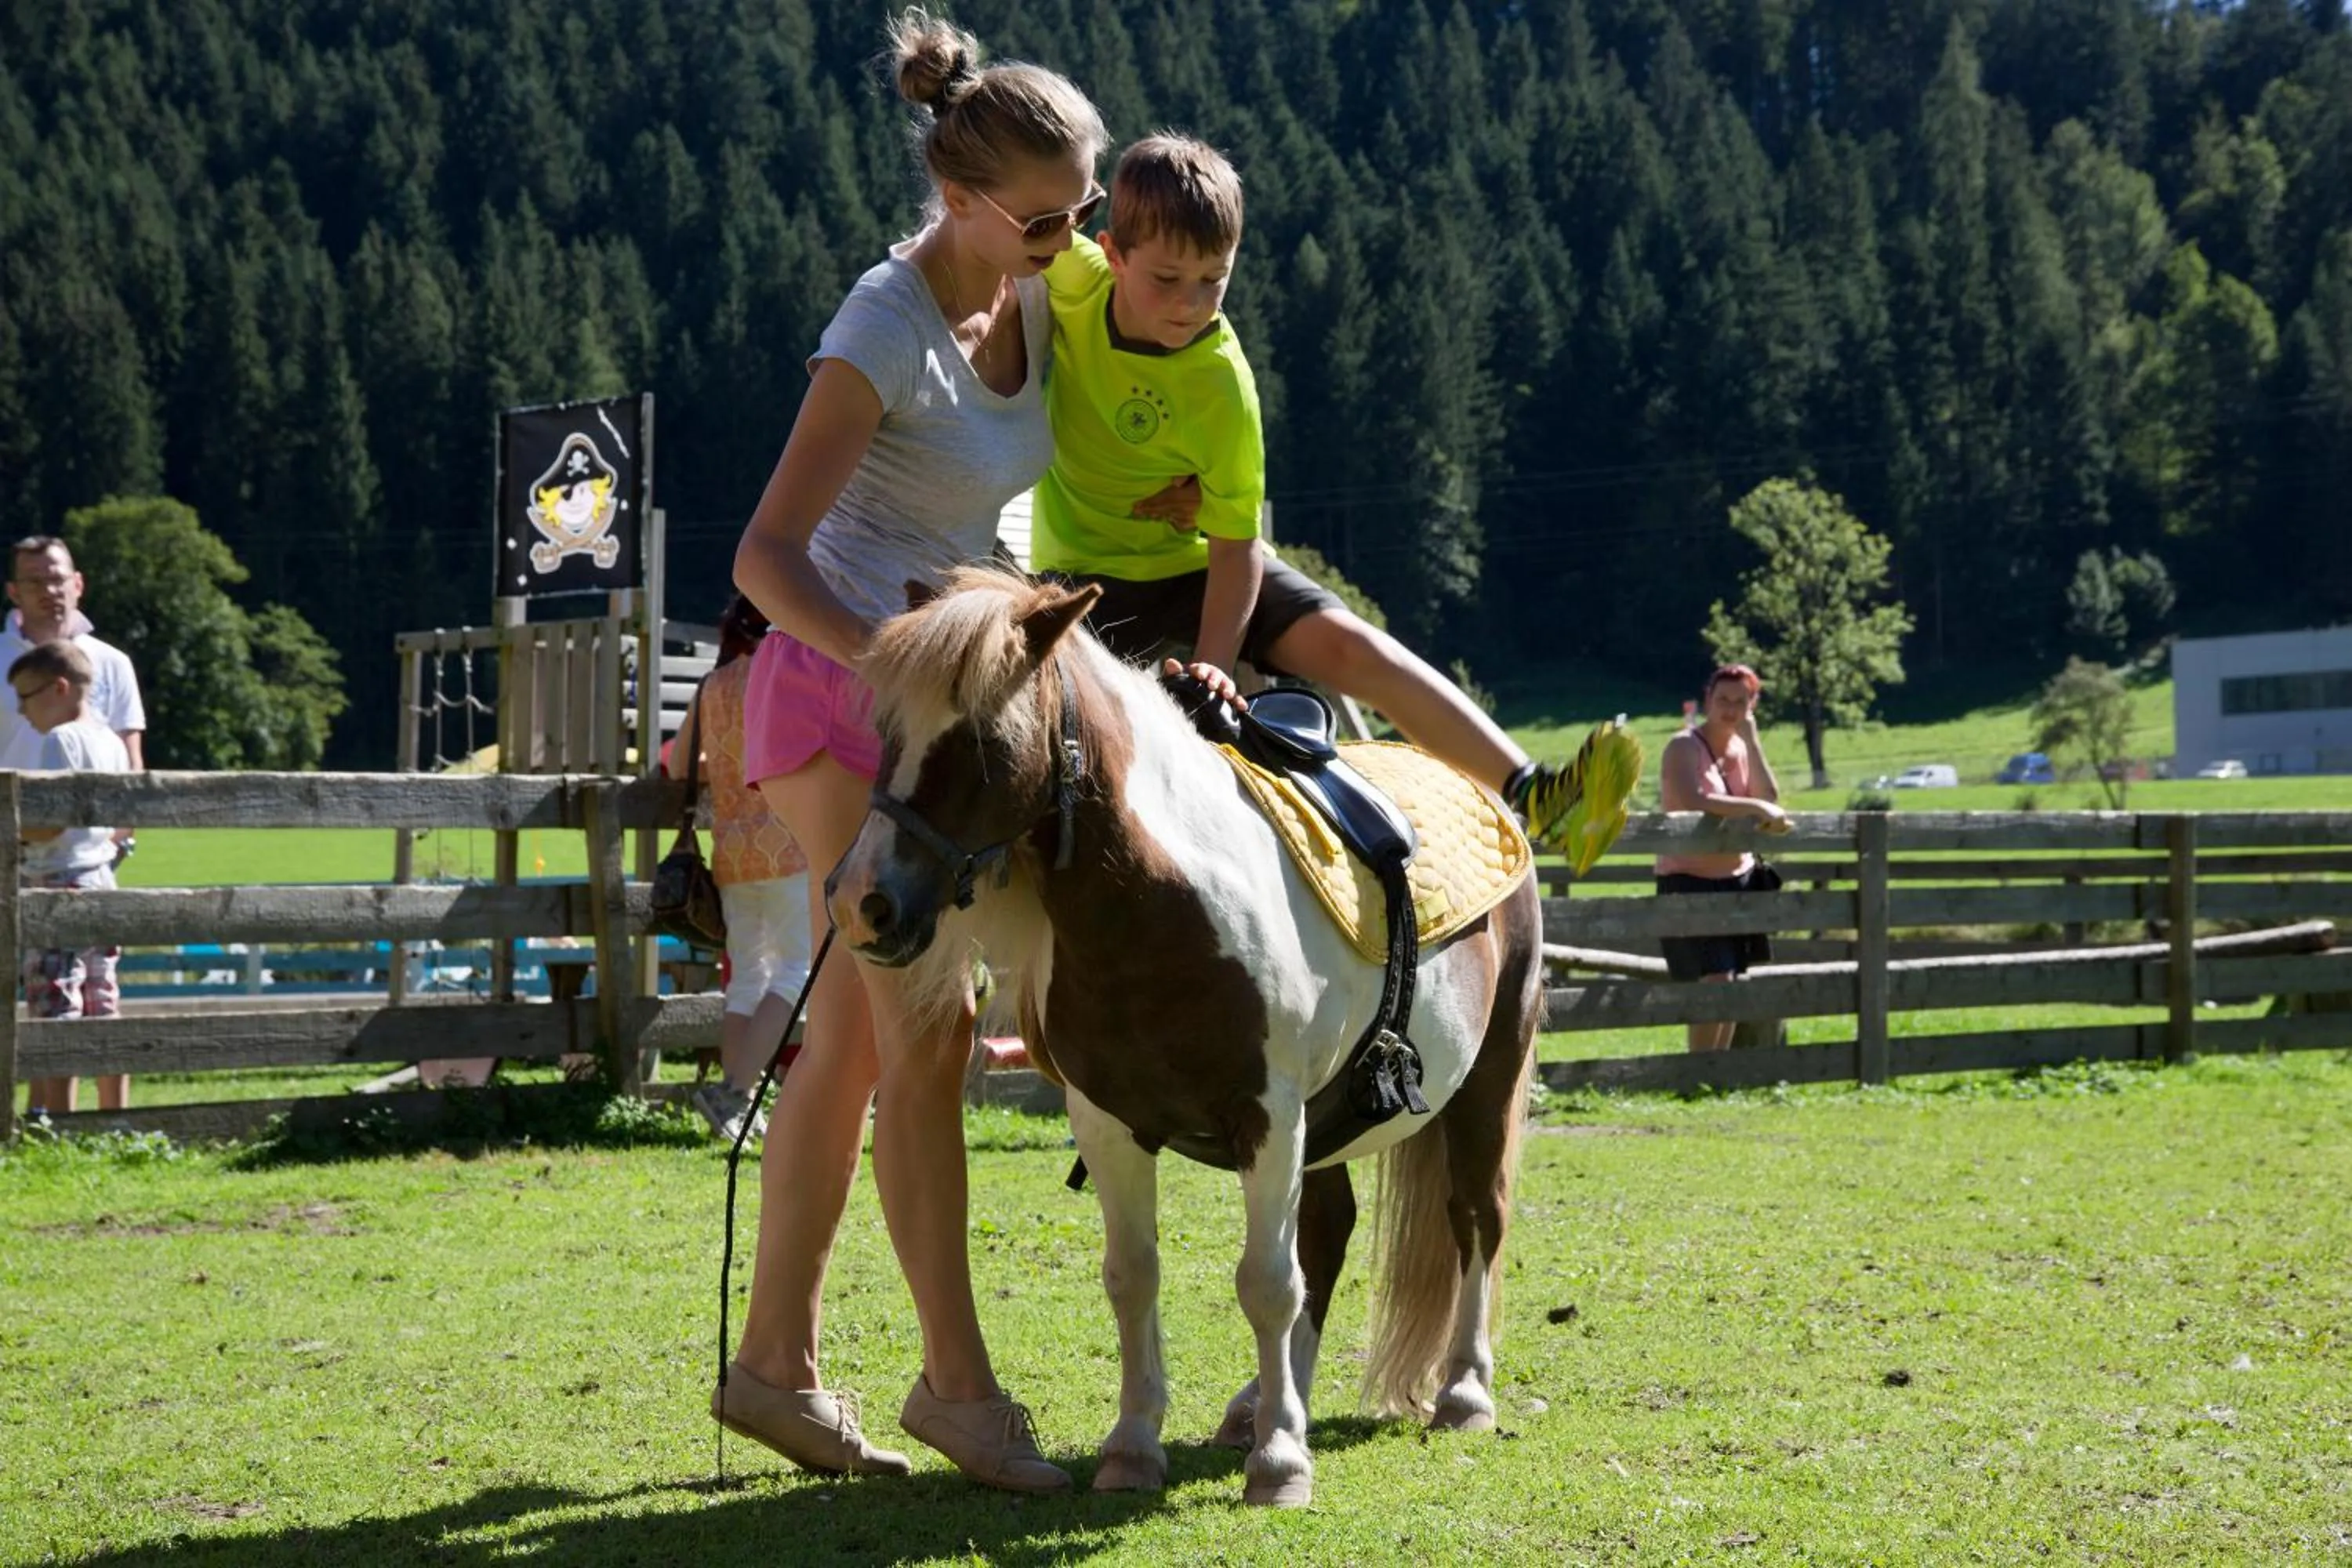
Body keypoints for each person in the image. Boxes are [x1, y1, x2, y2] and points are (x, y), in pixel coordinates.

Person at [722, 9, 1177, 1494]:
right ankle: (961, 1395)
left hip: (947, 699)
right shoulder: (882, 329)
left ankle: (774, 1369)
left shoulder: (1045, 281)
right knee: (916, 1036)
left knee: (856, 1045)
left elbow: (1164, 336)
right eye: (1048, 217)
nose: (1076, 235)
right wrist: (905, 669)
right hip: (830, 686)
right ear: (959, 201)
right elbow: (768, 556)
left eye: (1083, 207)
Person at [1029, 133, 1640, 866]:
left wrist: (1216, 665)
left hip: (1199, 571)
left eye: (1214, 281)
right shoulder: (1076, 279)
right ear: (1114, 253)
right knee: (1039, 729)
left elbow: (1235, 546)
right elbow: (1013, 199)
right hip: (1083, 575)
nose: (1191, 304)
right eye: (1168, 279)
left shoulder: (1223, 385)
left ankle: (1535, 795)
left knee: (1351, 645)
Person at [670, 595, 811, 1144]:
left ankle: (735, 1101)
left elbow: (681, 765)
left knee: (749, 977)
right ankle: (735, 1090)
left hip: (731, 852)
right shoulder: (785, 673)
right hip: (790, 847)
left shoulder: (714, 687)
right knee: (796, 973)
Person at [10, 641, 132, 1119]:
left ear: (60, 688)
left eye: (28, 696)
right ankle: (114, 1117)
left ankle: (58, 1125)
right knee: (101, 1000)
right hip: (101, 879)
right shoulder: (112, 742)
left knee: (55, 1001)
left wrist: (13, 832)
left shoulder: (59, 741)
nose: (22, 711)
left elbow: (49, 821)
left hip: (57, 884)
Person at [1654, 663, 1791, 1051]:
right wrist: (1757, 810)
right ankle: (1699, 1065)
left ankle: (1716, 1068)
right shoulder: (1683, 745)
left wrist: (1753, 739)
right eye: (1723, 700)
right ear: (1708, 701)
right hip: (1688, 876)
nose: (1729, 709)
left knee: (1730, 977)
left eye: (1740, 701)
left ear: (1752, 704)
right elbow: (1695, 798)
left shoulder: (1742, 747)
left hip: (1738, 876)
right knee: (1714, 978)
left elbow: (1770, 797)